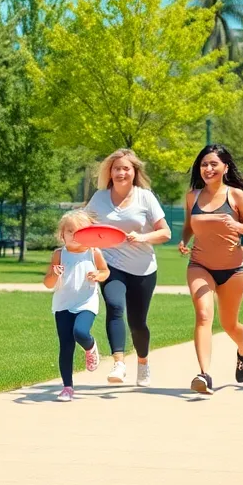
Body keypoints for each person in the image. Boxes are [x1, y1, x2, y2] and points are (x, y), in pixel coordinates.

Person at [179, 143, 243, 394]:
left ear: (225, 167)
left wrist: (236, 225)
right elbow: (188, 226)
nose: (208, 168)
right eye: (204, 164)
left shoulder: (235, 196)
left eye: (213, 164)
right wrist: (184, 240)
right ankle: (204, 375)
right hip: (199, 265)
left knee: (230, 325)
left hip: (233, 270)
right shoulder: (192, 196)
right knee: (204, 316)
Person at [85, 149, 172, 387]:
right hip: (111, 264)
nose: (121, 172)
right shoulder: (99, 198)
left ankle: (142, 362)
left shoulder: (145, 197)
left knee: (137, 323)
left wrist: (143, 238)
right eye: (117, 168)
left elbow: (166, 232)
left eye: (126, 168)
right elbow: (83, 226)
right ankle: (119, 363)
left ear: (134, 172)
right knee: (114, 306)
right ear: (110, 172)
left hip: (143, 268)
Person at [43, 210, 109, 402]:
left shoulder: (93, 252)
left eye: (80, 231)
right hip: (62, 304)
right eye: (69, 231)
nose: (74, 235)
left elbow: (105, 271)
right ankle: (67, 387)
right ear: (61, 234)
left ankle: (90, 347)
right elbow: (48, 283)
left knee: (80, 332)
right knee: (66, 345)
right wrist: (55, 274)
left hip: (86, 302)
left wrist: (98, 276)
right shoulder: (58, 255)